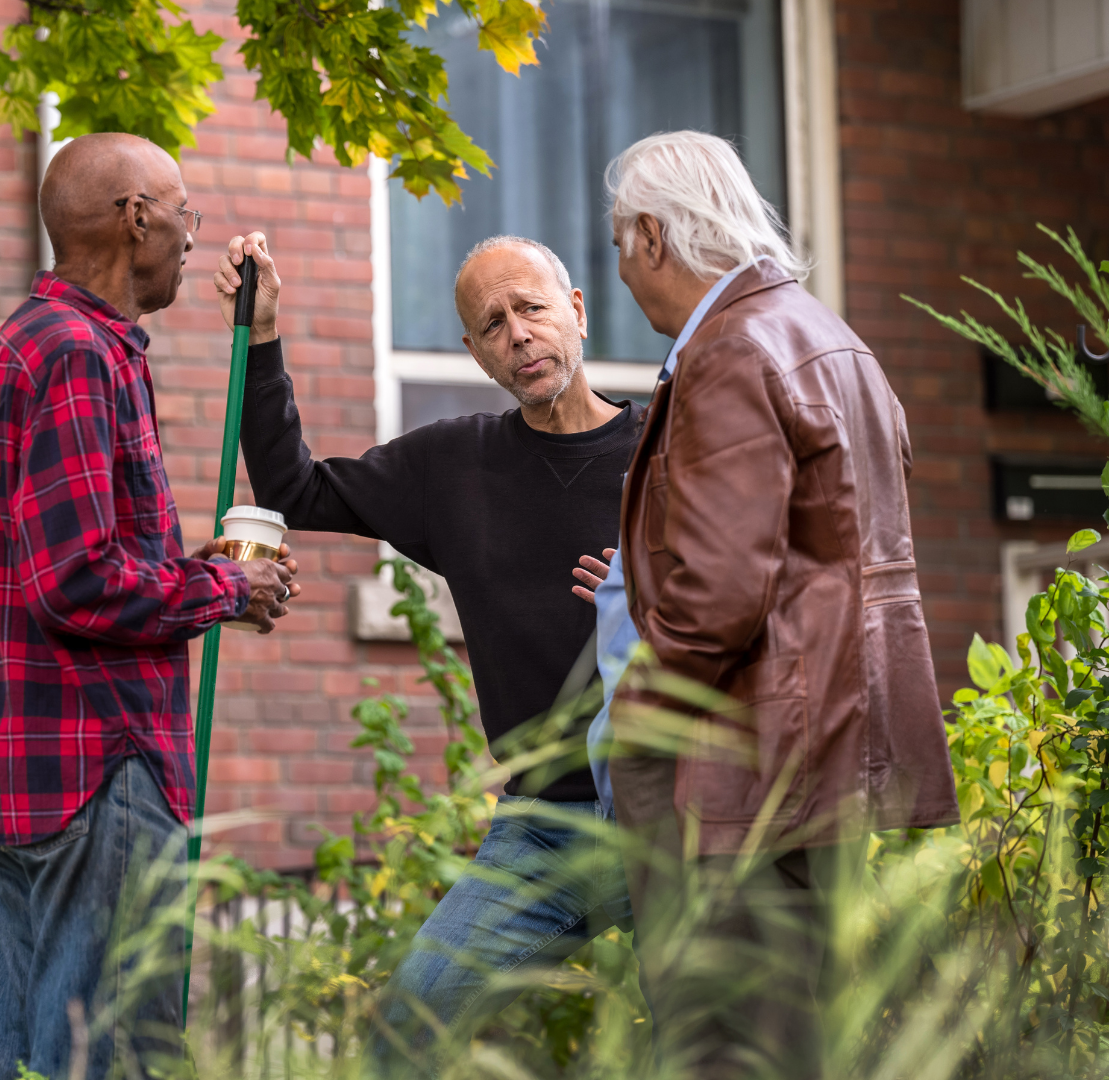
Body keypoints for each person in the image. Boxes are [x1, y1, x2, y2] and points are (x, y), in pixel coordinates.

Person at [574, 130, 960, 1079]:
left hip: (735, 780)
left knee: (722, 1049)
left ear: (655, 237)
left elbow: (717, 595)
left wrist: (634, 730)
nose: (623, 277)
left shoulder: (729, 350)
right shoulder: (833, 339)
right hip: (819, 764)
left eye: (621, 249)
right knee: (793, 1043)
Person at [215, 230, 637, 1070]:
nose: (517, 333)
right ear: (475, 353)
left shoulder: (669, 450)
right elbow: (296, 489)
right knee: (408, 1027)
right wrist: (261, 338)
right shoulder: (456, 464)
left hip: (675, 809)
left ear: (577, 313)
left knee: (706, 1043)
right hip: (544, 829)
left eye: (531, 308)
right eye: (491, 324)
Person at [0, 132, 302, 1080]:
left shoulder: (29, 344)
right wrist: (224, 585)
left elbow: (68, 565)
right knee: (117, 1049)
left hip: (36, 765)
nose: (192, 233)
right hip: (97, 760)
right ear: (134, 216)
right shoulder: (75, 353)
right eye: (184, 211)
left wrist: (200, 570)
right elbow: (77, 580)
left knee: (37, 1044)